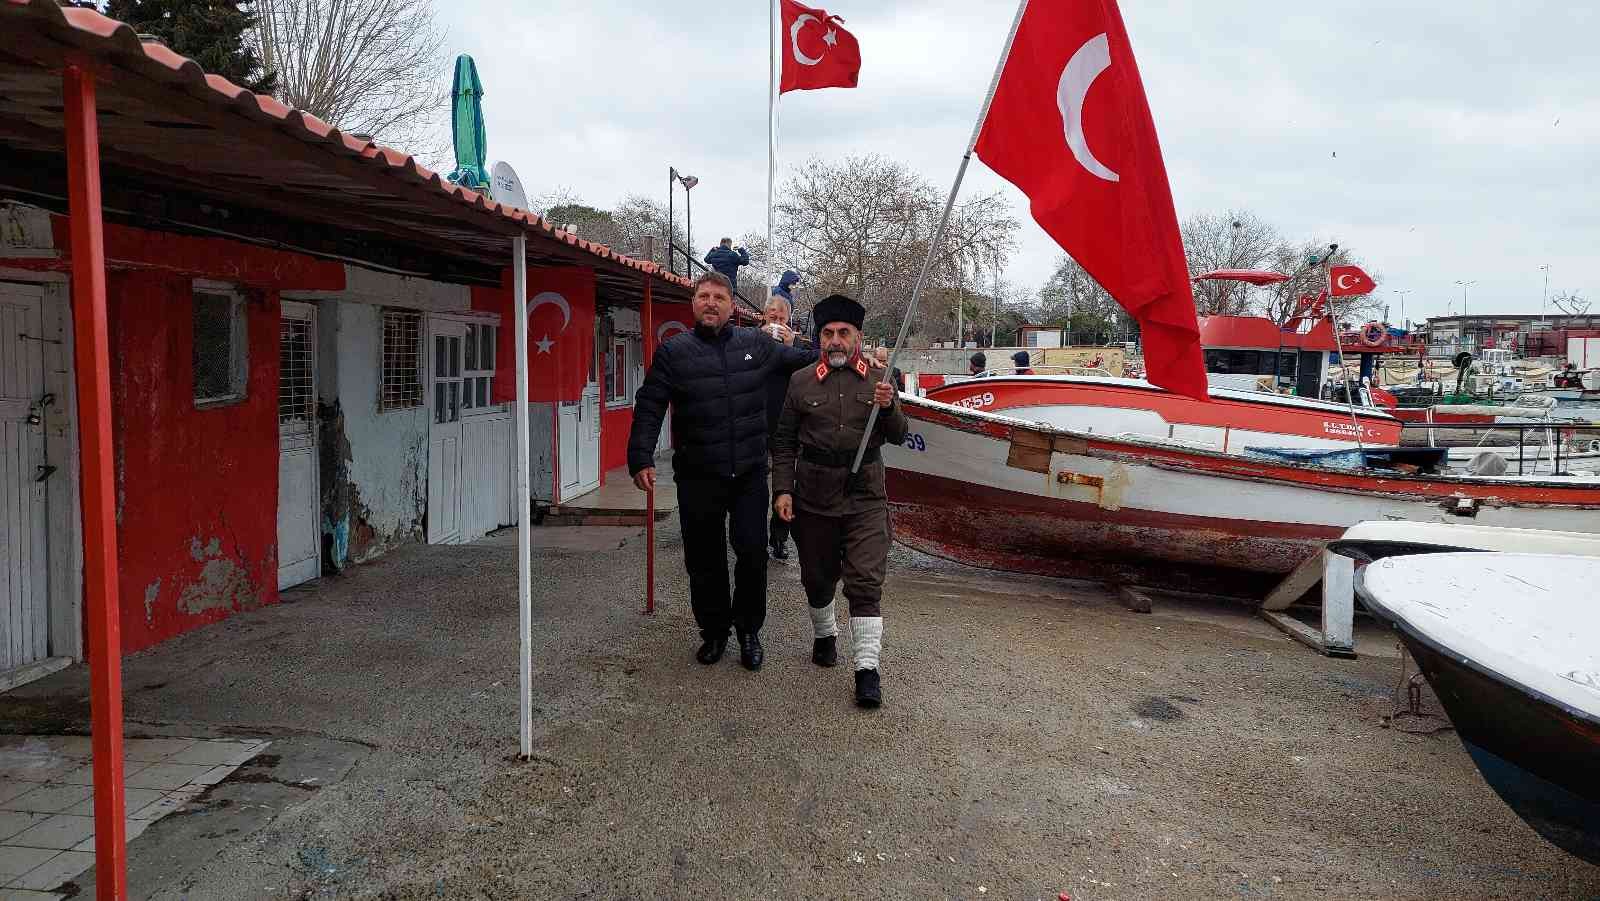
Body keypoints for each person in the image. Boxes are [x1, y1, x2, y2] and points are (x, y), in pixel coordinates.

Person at [628, 271, 817, 671]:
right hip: (698, 475)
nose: (710, 302)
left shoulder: (757, 345)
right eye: (703, 296)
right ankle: (714, 631)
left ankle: (749, 630)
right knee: (704, 559)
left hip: (748, 472)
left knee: (751, 552)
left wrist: (834, 349)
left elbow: (808, 360)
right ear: (693, 303)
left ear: (733, 307)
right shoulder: (674, 353)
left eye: (719, 297)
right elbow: (650, 405)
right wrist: (641, 456)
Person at [772, 294, 908, 708]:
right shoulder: (800, 381)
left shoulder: (881, 380)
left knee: (865, 582)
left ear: (858, 338)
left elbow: (900, 435)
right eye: (828, 333)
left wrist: (888, 409)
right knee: (817, 577)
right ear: (819, 337)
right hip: (813, 496)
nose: (835, 340)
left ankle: (867, 669)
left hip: (865, 495)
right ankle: (824, 633)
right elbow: (783, 443)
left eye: (843, 333)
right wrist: (782, 490)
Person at [761, 293, 800, 561]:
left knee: (784, 484)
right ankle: (754, 535)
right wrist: (761, 339)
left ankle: (779, 538)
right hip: (754, 423)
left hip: (785, 426)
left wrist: (789, 345)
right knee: (753, 483)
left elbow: (806, 364)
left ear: (789, 320)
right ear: (764, 317)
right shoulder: (751, 341)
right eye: (772, 316)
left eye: (781, 318)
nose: (776, 321)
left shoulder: (794, 346)